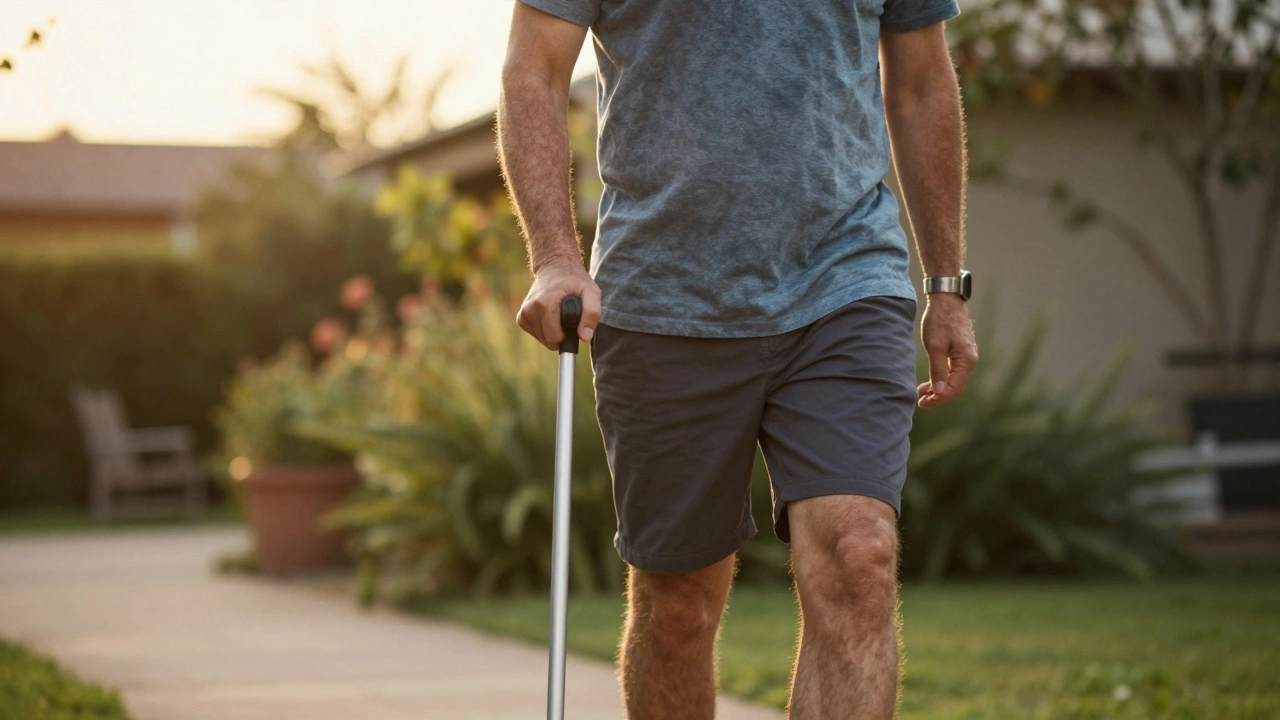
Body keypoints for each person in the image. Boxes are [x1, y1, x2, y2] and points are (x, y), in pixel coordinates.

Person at [498, 0, 977, 716]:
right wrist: (556, 258)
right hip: (663, 298)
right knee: (679, 606)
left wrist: (946, 286)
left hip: (845, 279)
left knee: (860, 557)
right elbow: (532, 72)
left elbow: (920, 84)